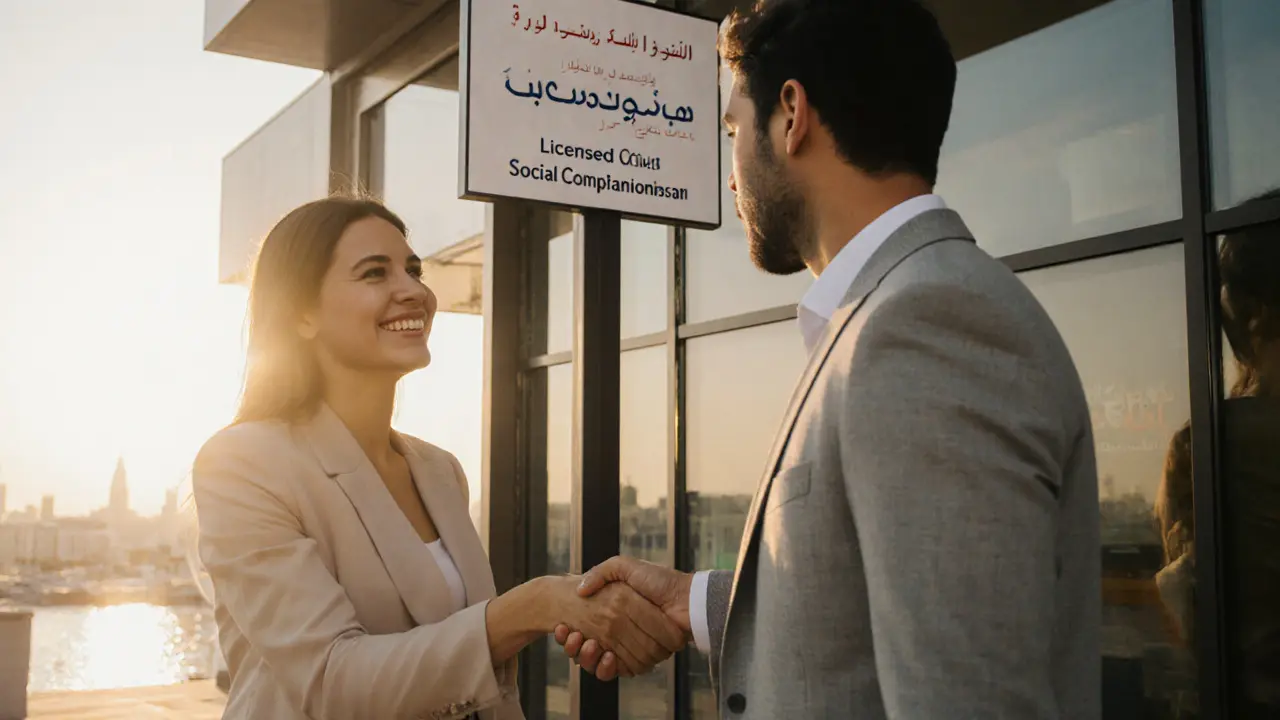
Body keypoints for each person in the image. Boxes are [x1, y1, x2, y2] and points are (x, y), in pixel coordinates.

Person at [557, 0, 1101, 716]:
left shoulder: (925, 325)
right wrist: (697, 602)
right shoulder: (893, 312)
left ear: (791, 114)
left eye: (732, 129)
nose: (730, 172)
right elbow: (871, 608)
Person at [192, 197, 684, 720]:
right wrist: (535, 606)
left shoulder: (439, 469)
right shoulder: (243, 462)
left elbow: (466, 665)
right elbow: (331, 680)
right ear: (302, 313)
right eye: (374, 273)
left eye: (413, 269)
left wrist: (591, 610)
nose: (414, 291)